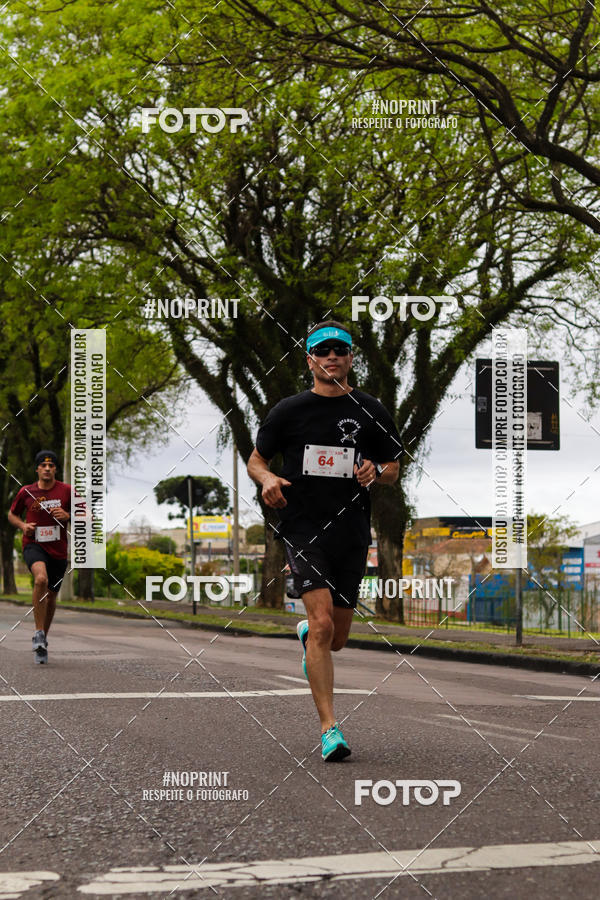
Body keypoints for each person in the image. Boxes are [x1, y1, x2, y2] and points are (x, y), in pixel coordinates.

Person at [248, 320, 403, 760]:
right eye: (322, 350)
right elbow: (256, 460)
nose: (331, 356)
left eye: (340, 349)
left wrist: (377, 469)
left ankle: (308, 636)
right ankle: (329, 728)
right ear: (309, 359)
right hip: (301, 527)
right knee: (322, 626)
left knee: (336, 637)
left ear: (352, 357)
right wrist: (268, 478)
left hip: (351, 529)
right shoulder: (288, 411)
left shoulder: (370, 408)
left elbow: (394, 468)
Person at [8, 450, 71, 664]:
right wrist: (23, 525)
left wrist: (69, 515)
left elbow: (87, 514)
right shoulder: (26, 491)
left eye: (51, 465)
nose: (47, 468)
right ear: (37, 469)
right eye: (43, 466)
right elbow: (12, 514)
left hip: (59, 550)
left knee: (52, 597)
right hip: (34, 545)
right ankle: (37, 632)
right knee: (40, 579)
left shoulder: (67, 490)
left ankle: (43, 639)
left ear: (55, 469)